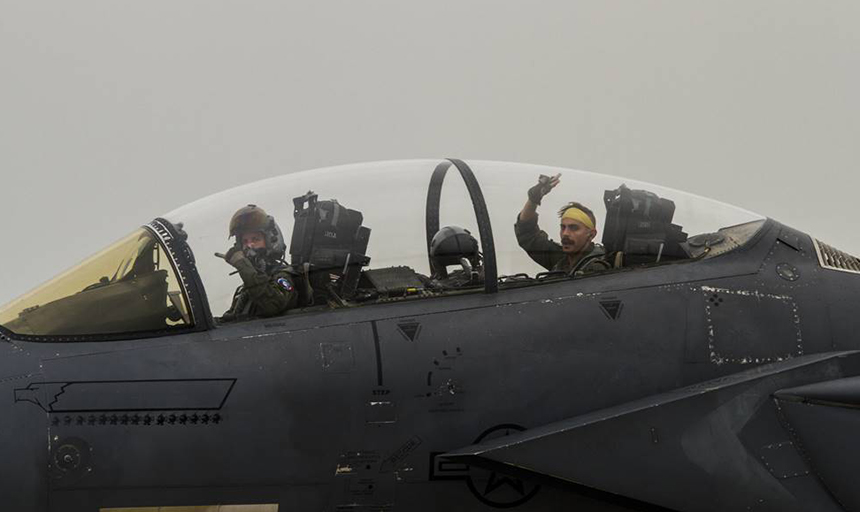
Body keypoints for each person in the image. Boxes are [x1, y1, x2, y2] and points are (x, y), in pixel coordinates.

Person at [515, 174, 610, 275]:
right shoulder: (562, 259)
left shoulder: (599, 268)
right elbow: (527, 235)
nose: (565, 233)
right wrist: (533, 199)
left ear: (591, 234)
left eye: (574, 228)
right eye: (563, 227)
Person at [218, 205, 298, 322]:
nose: (249, 245)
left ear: (271, 241)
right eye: (245, 241)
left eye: (255, 239)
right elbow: (231, 322)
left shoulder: (283, 276)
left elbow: (272, 306)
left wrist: (243, 266)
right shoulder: (244, 289)